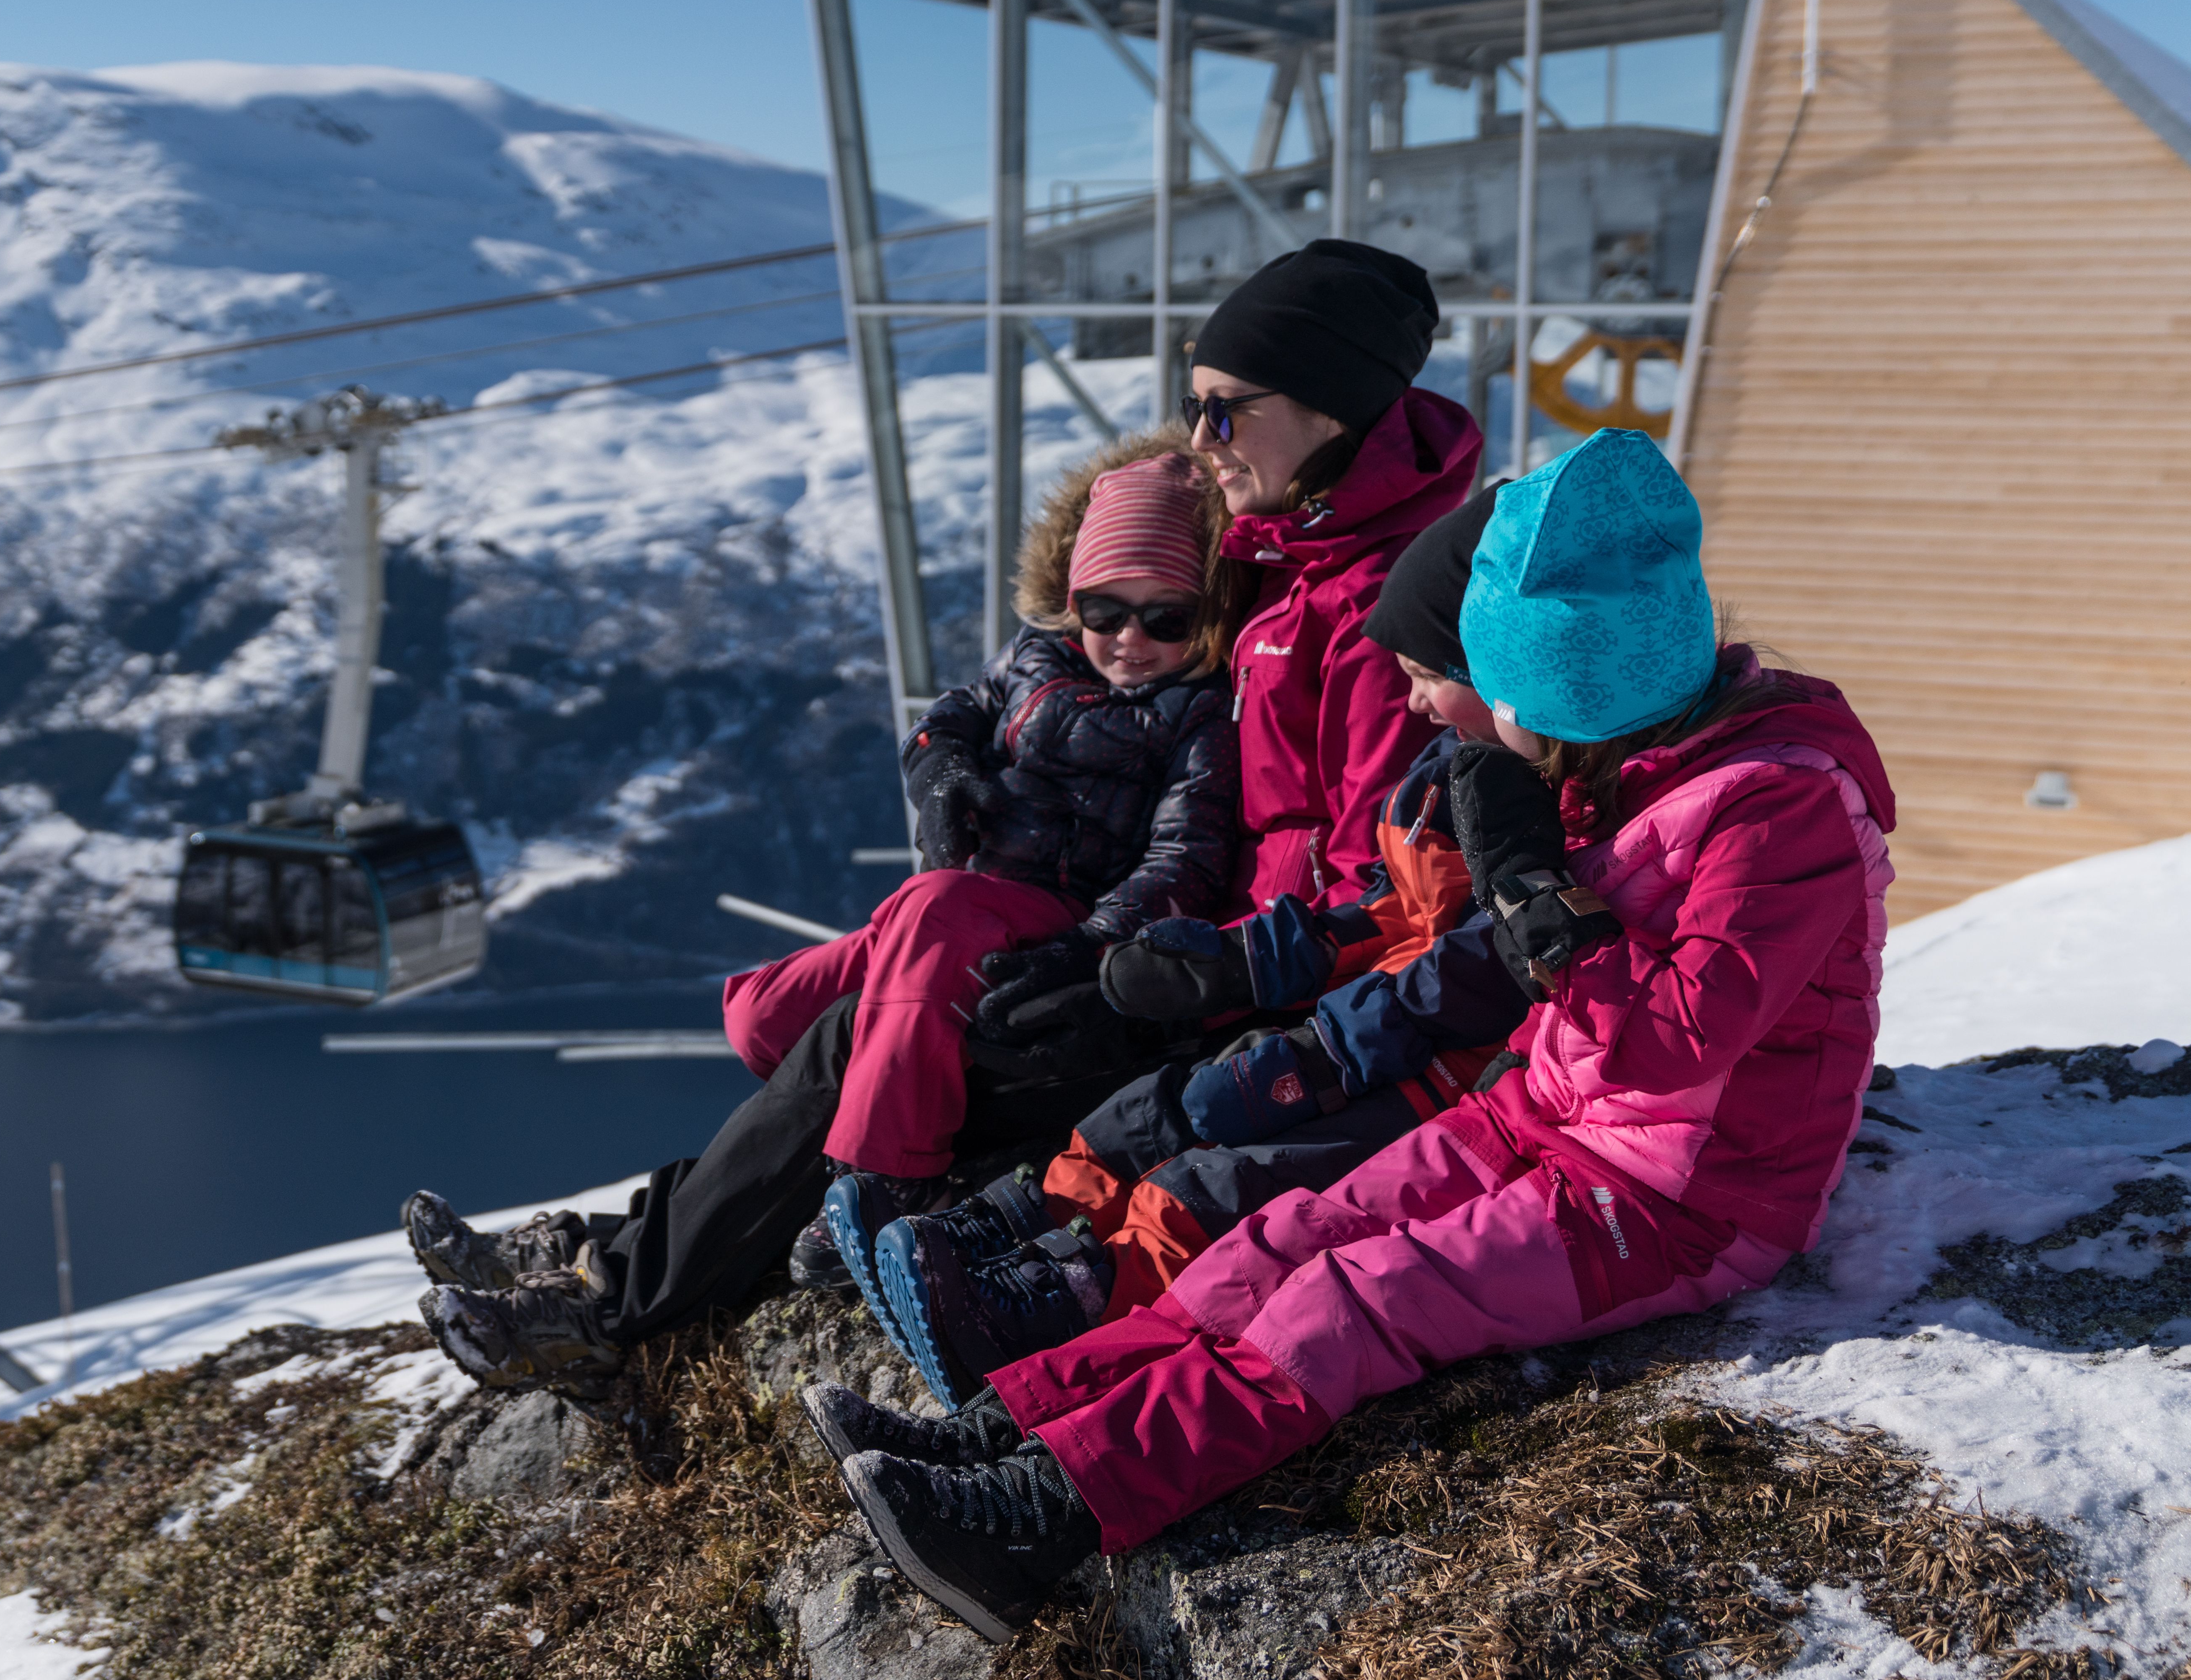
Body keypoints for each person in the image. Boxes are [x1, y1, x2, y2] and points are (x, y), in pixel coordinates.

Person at [799, 430, 1897, 1644]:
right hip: (1542, 1116)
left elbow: (1669, 1045)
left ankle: (1046, 1512)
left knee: (1359, 1296)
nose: (1469, 721)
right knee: (1279, 1238)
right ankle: (1005, 1427)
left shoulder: (1780, 808)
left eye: (1496, 696)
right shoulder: (1630, 768)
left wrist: (1533, 891)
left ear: (1562, 693)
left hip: (1681, 1198)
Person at [406, 432, 1245, 1392]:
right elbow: (953, 713)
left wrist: (1092, 947)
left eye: (1165, 617)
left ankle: (859, 1189)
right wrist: (940, 767)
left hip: (1053, 939)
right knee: (774, 1014)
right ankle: (594, 1250)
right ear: (1070, 597)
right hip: (958, 917)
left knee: (876, 998)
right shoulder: (1035, 658)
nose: (1129, 637)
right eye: (1103, 610)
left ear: (1204, 616)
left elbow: (1183, 859)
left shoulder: (1192, 715)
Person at [862, 486, 1533, 1409]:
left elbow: (1477, 968)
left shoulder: (1523, 811)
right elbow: (1386, 914)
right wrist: (1240, 961)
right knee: (1159, 1107)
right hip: (1365, 1025)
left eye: (1425, 675)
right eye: (1100, 612)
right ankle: (1022, 1232)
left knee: (1224, 1180)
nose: (1410, 700)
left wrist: (1324, 1039)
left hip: (1422, 1069)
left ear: (1497, 668)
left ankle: (1052, 1310)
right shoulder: (1445, 769)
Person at [959, 241, 1483, 1084]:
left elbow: (1380, 880)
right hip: (1198, 944)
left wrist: (1194, 990)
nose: (1203, 438)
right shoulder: (1272, 560)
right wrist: (948, 745)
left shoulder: (1373, 606)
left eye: (1226, 410)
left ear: (1329, 409)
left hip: (1270, 993)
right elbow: (1105, 660)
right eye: (1192, 407)